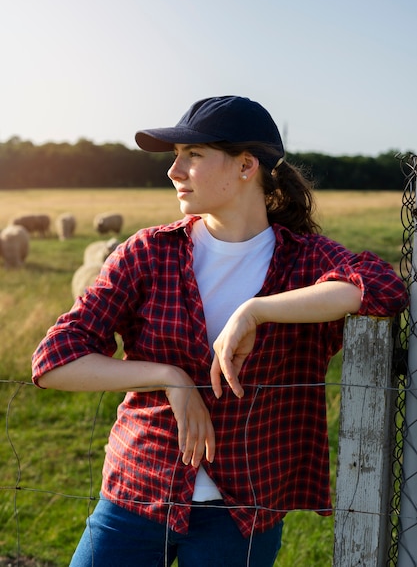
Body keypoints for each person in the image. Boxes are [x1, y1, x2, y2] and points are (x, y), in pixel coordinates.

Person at [32, 95, 408, 567]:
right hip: (136, 497)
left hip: (241, 515)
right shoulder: (149, 252)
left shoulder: (303, 259)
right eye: (175, 157)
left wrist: (256, 311)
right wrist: (170, 376)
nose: (174, 171)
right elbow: (54, 361)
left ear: (246, 165)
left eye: (193, 156)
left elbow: (381, 286)